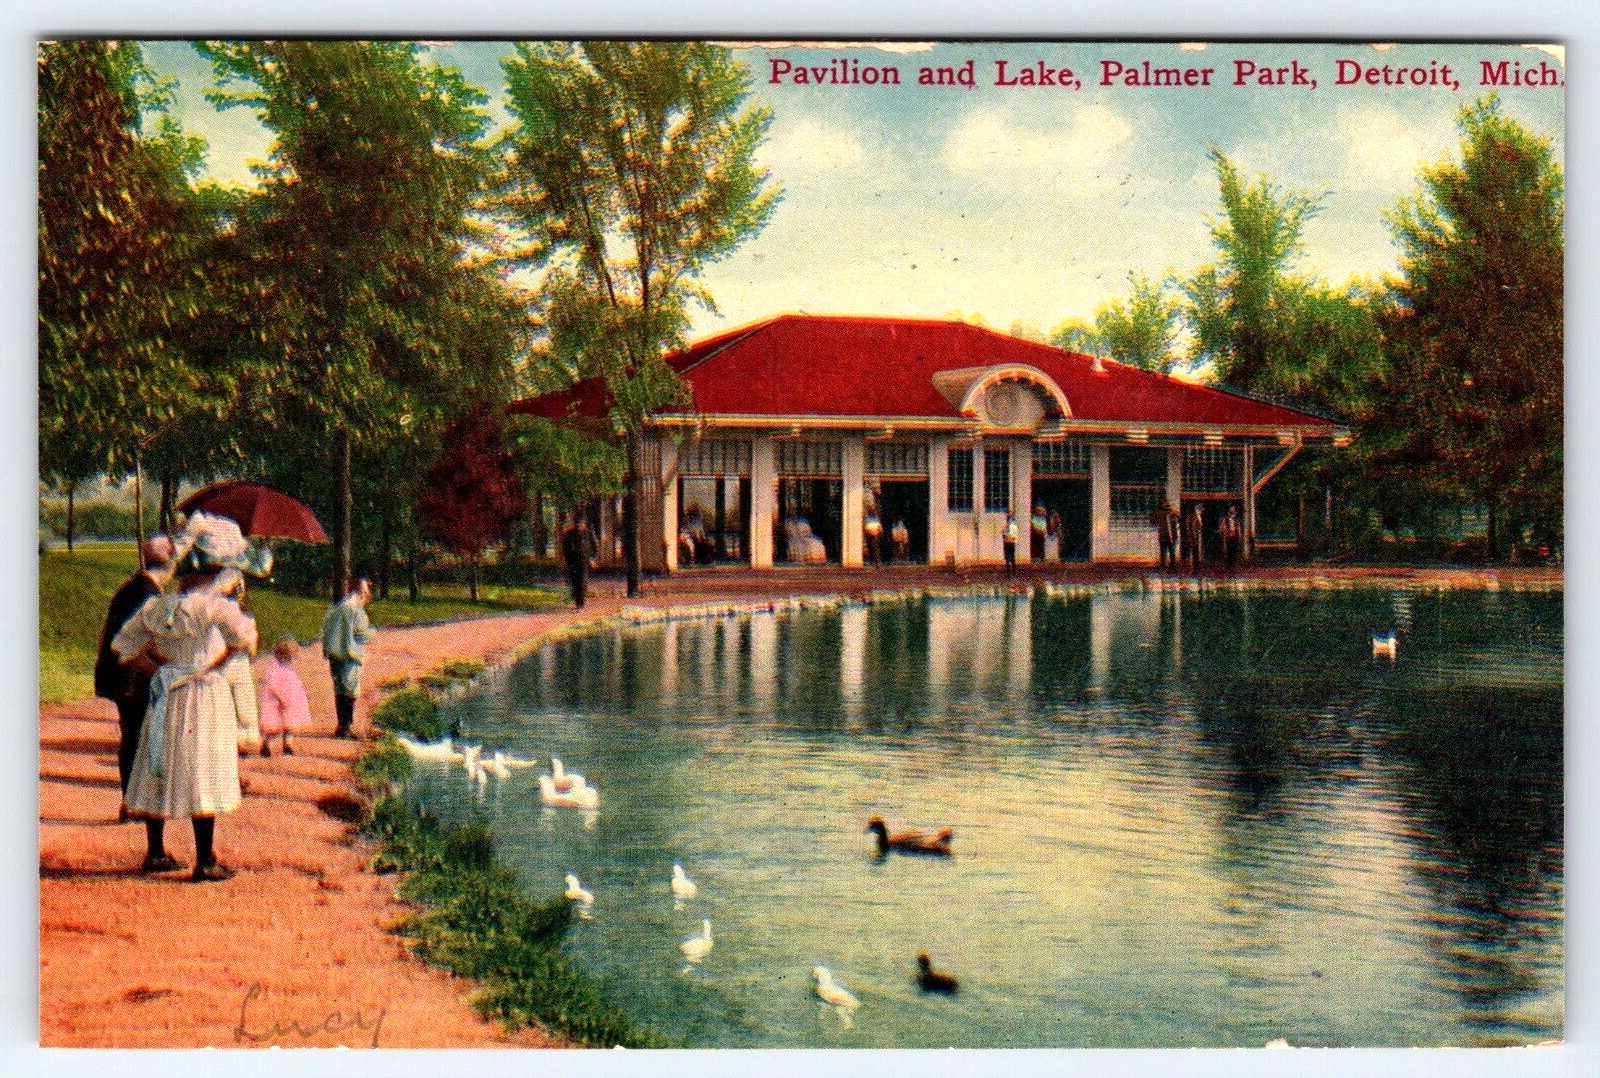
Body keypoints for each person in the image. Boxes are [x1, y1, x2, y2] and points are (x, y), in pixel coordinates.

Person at [112, 512, 272, 880]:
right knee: (203, 767)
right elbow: (245, 641)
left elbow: (124, 648)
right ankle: (205, 860)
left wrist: (161, 668)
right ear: (216, 573)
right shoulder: (217, 607)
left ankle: (155, 852)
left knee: (160, 763)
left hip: (168, 693)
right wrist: (214, 664)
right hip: (204, 694)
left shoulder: (158, 606)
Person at [94, 536, 177, 817]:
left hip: (122, 672)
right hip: (133, 675)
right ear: (170, 562)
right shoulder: (147, 592)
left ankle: (131, 800)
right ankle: (134, 802)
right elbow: (148, 640)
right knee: (139, 736)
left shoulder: (133, 587)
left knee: (133, 735)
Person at [320, 577, 373, 739]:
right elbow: (362, 634)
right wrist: (372, 632)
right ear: (362, 593)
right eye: (366, 593)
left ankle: (341, 724)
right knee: (350, 689)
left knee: (339, 688)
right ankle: (347, 725)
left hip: (334, 653)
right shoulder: (356, 609)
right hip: (351, 654)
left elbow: (325, 627)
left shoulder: (336, 607)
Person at [259, 636, 312, 757]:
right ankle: (266, 744)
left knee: (289, 725)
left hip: (290, 701)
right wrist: (281, 698)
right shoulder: (274, 667)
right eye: (287, 656)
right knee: (273, 727)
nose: (290, 659)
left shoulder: (289, 667)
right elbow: (272, 685)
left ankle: (288, 745)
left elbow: (293, 683)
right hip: (276, 702)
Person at [561, 514, 597, 608]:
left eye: (581, 523)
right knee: (575, 581)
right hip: (573, 562)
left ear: (584, 524)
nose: (580, 526)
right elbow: (566, 548)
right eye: (578, 524)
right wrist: (569, 560)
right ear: (575, 524)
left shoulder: (588, 533)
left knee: (583, 581)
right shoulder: (570, 534)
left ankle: (581, 601)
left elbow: (594, 547)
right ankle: (578, 601)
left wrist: (593, 559)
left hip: (585, 561)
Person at [1151, 502, 1179, 571]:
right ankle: (1172, 565)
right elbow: (1178, 519)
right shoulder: (1173, 513)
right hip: (1171, 536)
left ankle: (1164, 565)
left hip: (1163, 535)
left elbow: (1152, 522)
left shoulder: (1159, 514)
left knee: (1163, 551)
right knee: (1171, 551)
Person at [1182, 503, 1205, 574]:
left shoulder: (1198, 516)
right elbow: (1189, 529)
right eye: (1200, 510)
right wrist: (1192, 539)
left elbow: (1199, 527)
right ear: (1197, 509)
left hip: (1197, 538)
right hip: (1193, 538)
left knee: (1197, 554)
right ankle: (1194, 569)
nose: (1201, 511)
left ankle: (1197, 568)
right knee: (1194, 554)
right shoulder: (1192, 517)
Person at [1220, 505, 1243, 571]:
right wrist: (1223, 532)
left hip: (1235, 536)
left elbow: (1239, 528)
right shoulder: (1225, 519)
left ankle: (1234, 565)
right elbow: (1222, 527)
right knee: (1227, 550)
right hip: (1227, 537)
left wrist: (1240, 536)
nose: (1232, 511)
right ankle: (1228, 565)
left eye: (1233, 509)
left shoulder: (1236, 519)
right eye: (1231, 509)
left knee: (1234, 550)